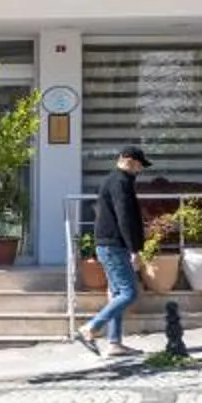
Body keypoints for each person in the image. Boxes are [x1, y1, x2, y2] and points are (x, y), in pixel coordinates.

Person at [75, 146, 149, 358]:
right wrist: (134, 248)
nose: (139, 169)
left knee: (118, 294)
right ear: (126, 160)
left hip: (109, 244)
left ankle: (115, 343)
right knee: (129, 292)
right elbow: (124, 217)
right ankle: (90, 328)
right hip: (114, 245)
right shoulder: (120, 182)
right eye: (138, 164)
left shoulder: (114, 180)